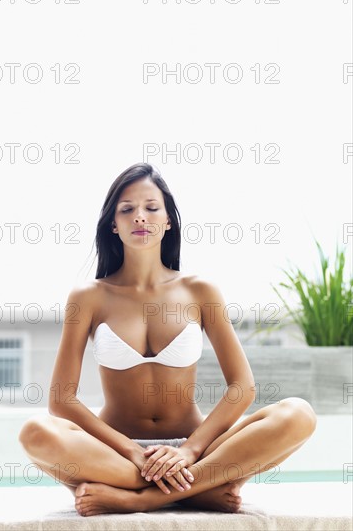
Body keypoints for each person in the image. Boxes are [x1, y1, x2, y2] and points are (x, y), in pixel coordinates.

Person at [18, 163, 317, 517]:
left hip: (197, 448)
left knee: (299, 414)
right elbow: (61, 400)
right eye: (127, 209)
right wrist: (130, 450)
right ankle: (197, 489)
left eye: (151, 207)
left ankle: (139, 496)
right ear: (113, 224)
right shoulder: (88, 297)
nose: (140, 217)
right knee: (35, 432)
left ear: (168, 220)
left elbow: (242, 388)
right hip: (116, 453)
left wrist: (189, 451)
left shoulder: (199, 290)